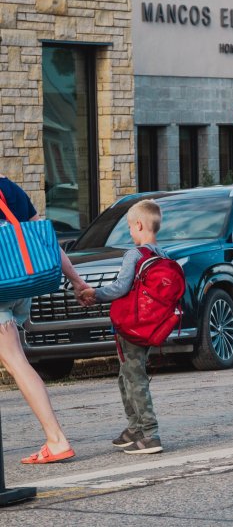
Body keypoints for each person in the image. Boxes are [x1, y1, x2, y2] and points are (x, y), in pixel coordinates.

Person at [0, 173, 86, 464]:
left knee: (17, 364)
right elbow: (45, 241)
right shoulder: (7, 187)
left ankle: (57, 439)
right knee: (16, 362)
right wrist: (76, 280)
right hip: (19, 284)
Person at [78, 200, 165, 454]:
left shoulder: (135, 255)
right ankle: (134, 427)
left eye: (129, 227)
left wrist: (95, 293)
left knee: (135, 377)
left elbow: (120, 288)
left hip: (132, 327)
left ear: (139, 225)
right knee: (126, 374)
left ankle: (150, 433)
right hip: (153, 325)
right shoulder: (164, 255)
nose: (129, 232)